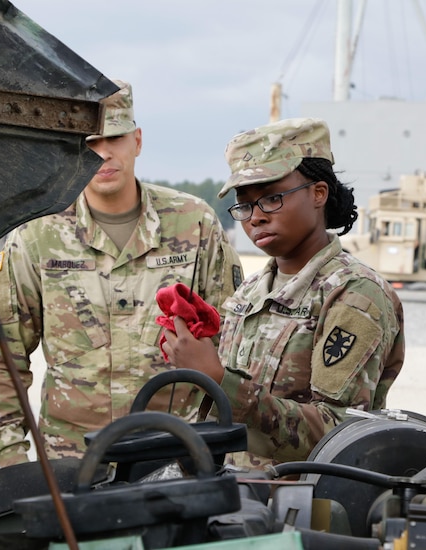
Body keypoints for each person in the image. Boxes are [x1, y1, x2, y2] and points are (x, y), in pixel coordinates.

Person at [0, 80, 243, 467]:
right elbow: (1, 350)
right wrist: (11, 458)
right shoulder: (38, 233)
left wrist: (223, 444)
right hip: (72, 458)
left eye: (114, 138)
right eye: (89, 142)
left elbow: (234, 338)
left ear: (137, 140)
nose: (103, 153)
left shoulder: (193, 222)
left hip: (178, 453)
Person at [161, 117, 405, 469]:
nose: (255, 218)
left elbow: (339, 433)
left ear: (318, 193)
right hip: (238, 495)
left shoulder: (354, 295)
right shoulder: (252, 290)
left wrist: (218, 378)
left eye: (272, 198)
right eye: (244, 205)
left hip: (301, 506)